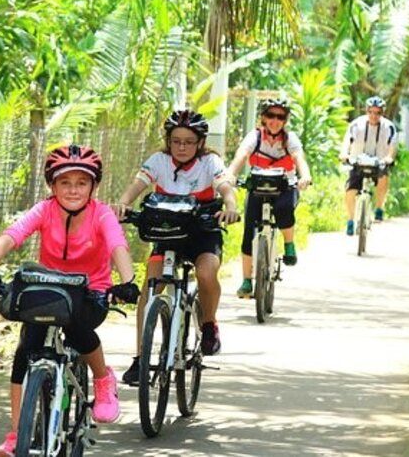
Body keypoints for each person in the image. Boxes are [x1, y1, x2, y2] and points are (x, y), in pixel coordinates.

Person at [0, 144, 139, 457]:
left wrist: (127, 282)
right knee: (26, 350)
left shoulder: (101, 213)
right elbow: (13, 234)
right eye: (65, 182)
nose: (73, 189)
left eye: (81, 183)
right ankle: (16, 433)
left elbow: (118, 246)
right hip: (47, 289)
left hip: (90, 292)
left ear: (93, 186)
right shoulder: (44, 209)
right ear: (52, 185)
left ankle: (103, 379)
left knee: (77, 329)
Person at [111, 110, 239, 386]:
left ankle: (209, 324)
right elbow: (137, 185)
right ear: (168, 141)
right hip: (167, 231)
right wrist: (123, 203)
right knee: (150, 284)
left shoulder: (210, 162)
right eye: (176, 141)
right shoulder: (158, 161)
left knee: (206, 274)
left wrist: (230, 206)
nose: (182, 147)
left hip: (203, 231)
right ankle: (141, 357)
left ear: (200, 143)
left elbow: (226, 186)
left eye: (189, 142)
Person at [225, 98, 313, 299]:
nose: (275, 120)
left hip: (284, 186)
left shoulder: (289, 139)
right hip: (258, 186)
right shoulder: (254, 137)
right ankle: (247, 280)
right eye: (271, 116)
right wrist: (231, 173)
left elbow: (299, 158)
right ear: (263, 117)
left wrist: (305, 177)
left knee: (283, 209)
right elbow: (241, 155)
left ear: (285, 120)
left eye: (280, 117)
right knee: (249, 230)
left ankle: (289, 244)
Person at [339, 96, 398, 234]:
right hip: (358, 161)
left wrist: (389, 158)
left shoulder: (388, 127)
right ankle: (350, 219)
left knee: (383, 178)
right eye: (371, 112)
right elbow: (347, 141)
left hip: (379, 162)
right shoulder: (356, 124)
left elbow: (392, 146)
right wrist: (344, 154)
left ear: (382, 113)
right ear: (366, 111)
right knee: (350, 190)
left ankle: (378, 208)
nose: (374, 116)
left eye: (378, 113)